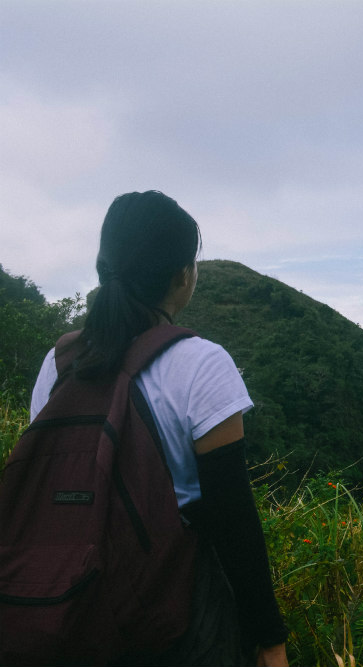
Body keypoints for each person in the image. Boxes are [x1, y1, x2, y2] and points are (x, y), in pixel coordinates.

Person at [29, 191, 289, 666]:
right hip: (170, 621)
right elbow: (233, 521)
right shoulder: (202, 364)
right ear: (182, 276)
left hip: (62, 607)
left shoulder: (58, 362)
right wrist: (269, 640)